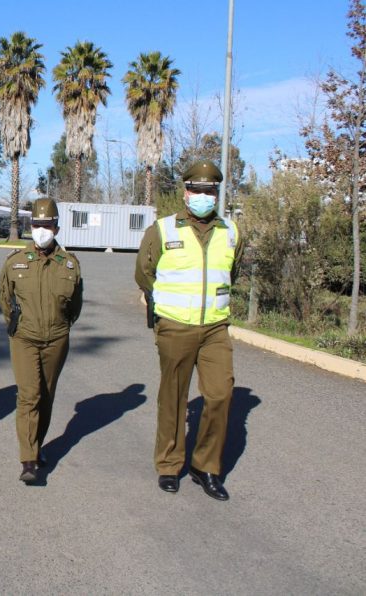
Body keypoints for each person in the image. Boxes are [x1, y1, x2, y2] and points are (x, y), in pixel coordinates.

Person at [135, 159, 244, 501]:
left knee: (220, 394)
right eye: (196, 189)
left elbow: (233, 273)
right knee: (174, 398)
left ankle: (205, 465)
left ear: (216, 193)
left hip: (214, 328)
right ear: (185, 192)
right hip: (175, 327)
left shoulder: (232, 231)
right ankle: (169, 465)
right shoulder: (163, 230)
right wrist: (166, 312)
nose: (202, 195)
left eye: (209, 190)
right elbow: (144, 274)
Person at [0, 198, 83, 485]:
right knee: (29, 395)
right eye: (36, 225)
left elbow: (75, 307)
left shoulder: (70, 265)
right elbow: (5, 300)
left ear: (56, 228)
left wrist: (60, 326)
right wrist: (20, 324)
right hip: (24, 338)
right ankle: (29, 459)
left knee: (46, 395)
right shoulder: (15, 262)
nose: (41, 230)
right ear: (29, 226)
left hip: (57, 338)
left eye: (46, 225)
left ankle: (37, 445)